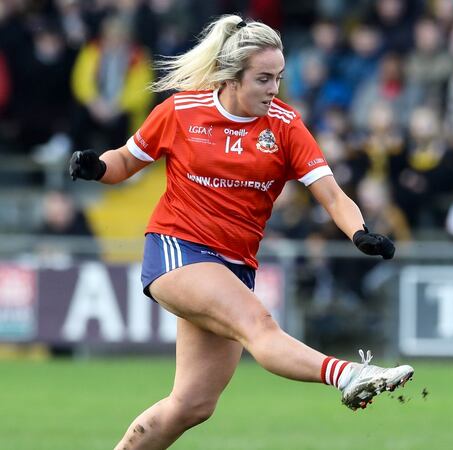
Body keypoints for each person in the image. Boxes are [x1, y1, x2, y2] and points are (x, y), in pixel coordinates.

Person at [68, 15, 413, 450]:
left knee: (192, 404)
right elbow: (125, 161)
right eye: (264, 79)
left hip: (234, 266)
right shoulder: (180, 111)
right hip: (178, 250)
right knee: (259, 325)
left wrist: (359, 232)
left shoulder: (286, 125)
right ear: (232, 77)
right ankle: (349, 375)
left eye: (279, 78)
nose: (274, 89)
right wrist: (98, 167)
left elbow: (332, 194)